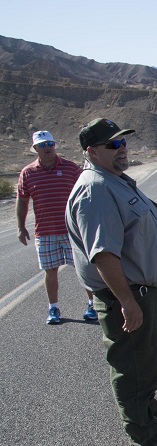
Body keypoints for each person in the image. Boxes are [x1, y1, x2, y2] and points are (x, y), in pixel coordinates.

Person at [65, 118, 157, 446]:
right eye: (112, 145)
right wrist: (126, 301)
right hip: (128, 294)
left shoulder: (115, 181)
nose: (121, 150)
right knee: (132, 368)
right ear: (91, 152)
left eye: (123, 143)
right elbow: (103, 254)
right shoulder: (95, 189)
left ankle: (149, 418)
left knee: (145, 365)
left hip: (144, 292)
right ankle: (144, 439)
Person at [16, 130, 95, 325]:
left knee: (84, 268)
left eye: (50, 144)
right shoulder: (28, 173)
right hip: (44, 232)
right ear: (35, 148)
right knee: (50, 270)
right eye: (43, 145)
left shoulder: (70, 168)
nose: (48, 148)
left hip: (72, 230)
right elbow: (22, 201)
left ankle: (93, 304)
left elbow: (86, 193)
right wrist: (20, 226)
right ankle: (54, 308)